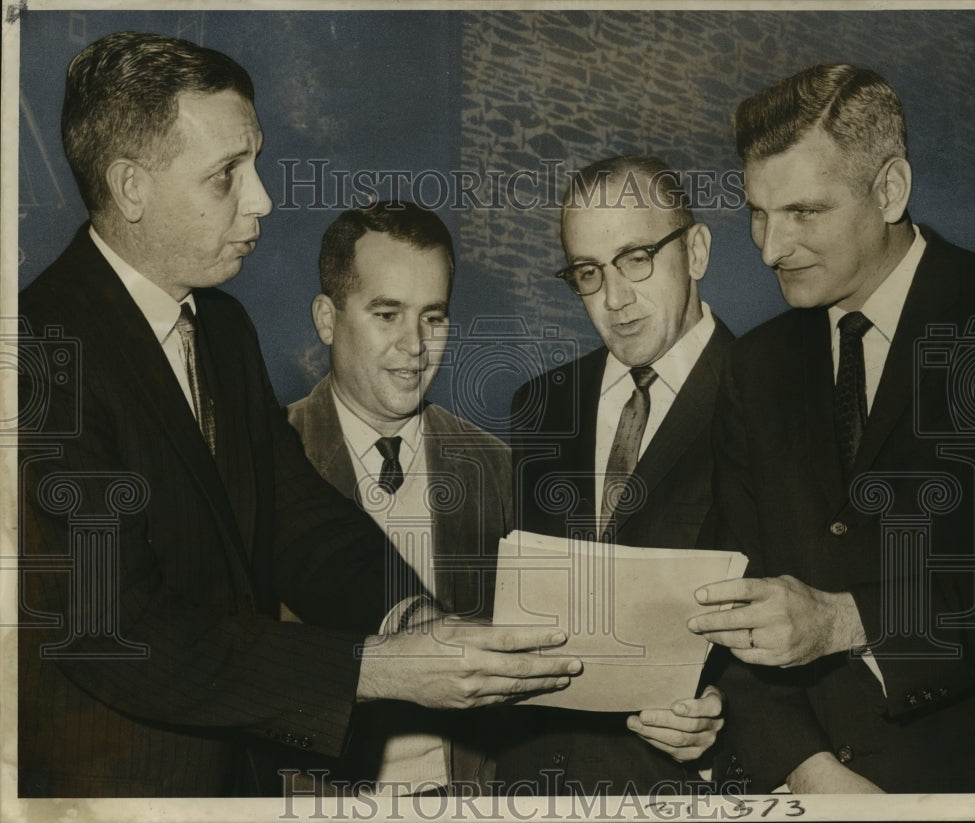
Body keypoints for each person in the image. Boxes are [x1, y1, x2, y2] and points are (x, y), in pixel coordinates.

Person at [17, 31, 578, 798]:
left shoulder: (220, 328)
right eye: (227, 175)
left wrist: (409, 612)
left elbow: (294, 515)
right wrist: (373, 668)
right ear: (131, 186)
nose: (264, 200)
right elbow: (113, 628)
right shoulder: (39, 352)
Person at [688, 64, 975, 793]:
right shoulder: (753, 366)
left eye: (804, 212)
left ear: (890, 189)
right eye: (758, 212)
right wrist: (810, 772)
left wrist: (847, 619)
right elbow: (735, 596)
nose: (769, 248)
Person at [492, 155, 732, 795]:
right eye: (588, 273)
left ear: (697, 251)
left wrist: (722, 720)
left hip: (687, 789)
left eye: (636, 258)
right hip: (533, 784)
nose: (614, 298)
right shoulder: (542, 405)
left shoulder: (771, 396)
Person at [284, 201, 511, 795]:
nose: (416, 345)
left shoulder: (496, 467)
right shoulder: (268, 459)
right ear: (327, 319)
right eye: (387, 314)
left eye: (432, 318)